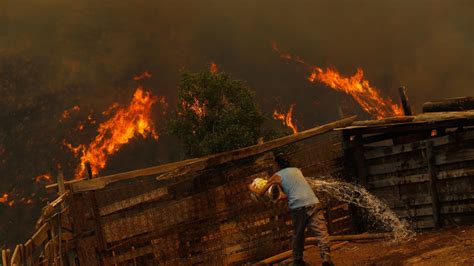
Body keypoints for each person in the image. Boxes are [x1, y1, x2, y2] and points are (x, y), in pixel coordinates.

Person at [250, 154, 334, 266]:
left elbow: (261, 193)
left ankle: (298, 260)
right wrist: (280, 196)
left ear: (277, 165)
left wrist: (250, 187)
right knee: (321, 231)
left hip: (298, 207)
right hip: (313, 202)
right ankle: (326, 257)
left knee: (298, 234)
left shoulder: (276, 176)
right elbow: (294, 189)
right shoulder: (298, 171)